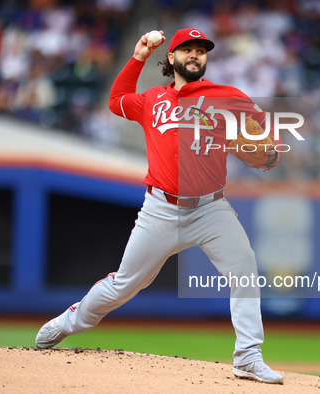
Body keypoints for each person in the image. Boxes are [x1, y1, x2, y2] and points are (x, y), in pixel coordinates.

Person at [36, 28, 283, 384]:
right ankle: (67, 322)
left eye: (201, 50)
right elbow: (116, 99)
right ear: (172, 58)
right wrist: (137, 55)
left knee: (244, 267)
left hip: (211, 209)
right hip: (160, 210)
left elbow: (266, 131)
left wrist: (268, 150)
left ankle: (247, 356)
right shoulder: (153, 98)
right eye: (187, 50)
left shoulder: (227, 96)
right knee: (123, 285)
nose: (195, 55)